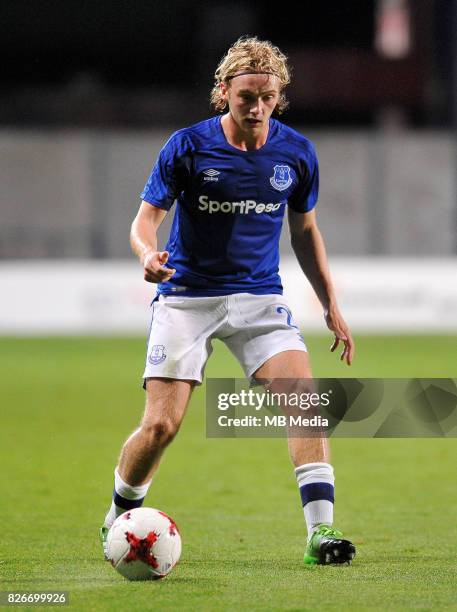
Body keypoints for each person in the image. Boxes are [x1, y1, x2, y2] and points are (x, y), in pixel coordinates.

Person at [100, 36, 356, 566]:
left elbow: (305, 232)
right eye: (246, 96)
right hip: (186, 298)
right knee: (161, 427)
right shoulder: (187, 146)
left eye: (267, 96)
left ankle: (321, 534)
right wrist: (148, 254)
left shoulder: (297, 153)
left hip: (259, 300)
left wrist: (330, 301)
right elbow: (145, 219)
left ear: (278, 94)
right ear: (224, 92)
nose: (257, 107)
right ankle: (117, 516)